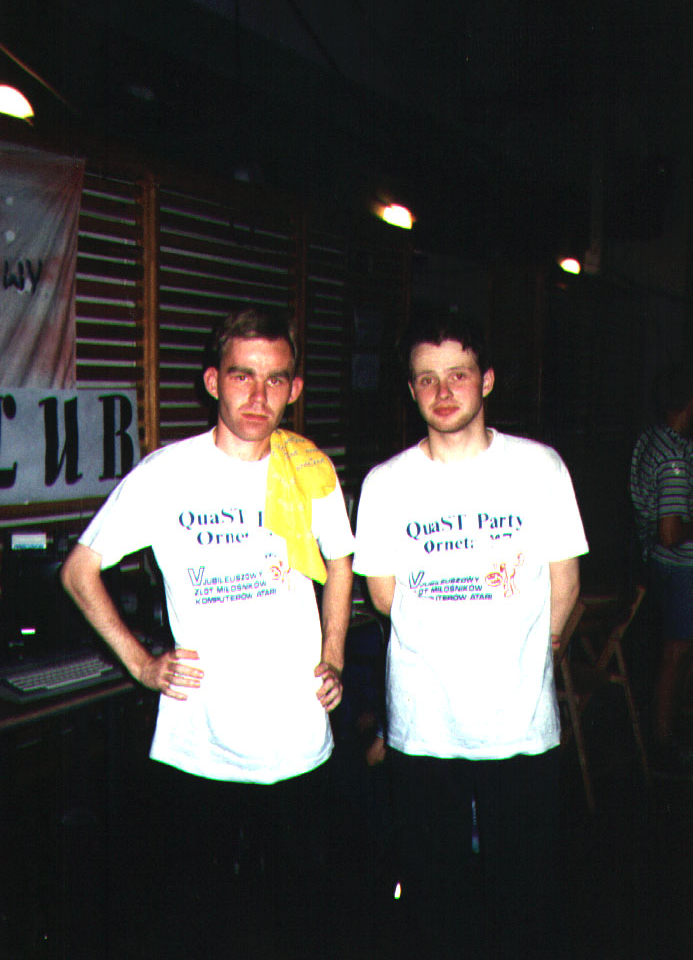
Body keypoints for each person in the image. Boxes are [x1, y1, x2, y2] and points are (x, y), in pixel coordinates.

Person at [61, 305, 354, 956]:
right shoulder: (167, 474)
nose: (258, 396)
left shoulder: (309, 470)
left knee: (301, 923)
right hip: (200, 742)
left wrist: (333, 654)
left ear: (294, 389)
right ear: (213, 381)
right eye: (242, 375)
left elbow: (339, 561)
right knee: (201, 926)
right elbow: (79, 572)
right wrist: (142, 664)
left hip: (296, 736)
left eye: (275, 379)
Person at [353, 310, 588, 959]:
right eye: (426, 378)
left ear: (486, 380)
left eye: (457, 374)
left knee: (527, 902)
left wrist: (527, 654)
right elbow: (383, 596)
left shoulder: (539, 468)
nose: (443, 391)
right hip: (425, 726)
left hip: (520, 724)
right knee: (436, 904)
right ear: (410, 390)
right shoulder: (385, 483)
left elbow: (565, 585)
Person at [630, 365, 693, 767]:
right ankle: (663, 744)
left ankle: (671, 732)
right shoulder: (673, 458)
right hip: (678, 566)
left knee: (678, 651)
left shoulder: (655, 439)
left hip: (659, 565)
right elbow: (670, 532)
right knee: (676, 653)